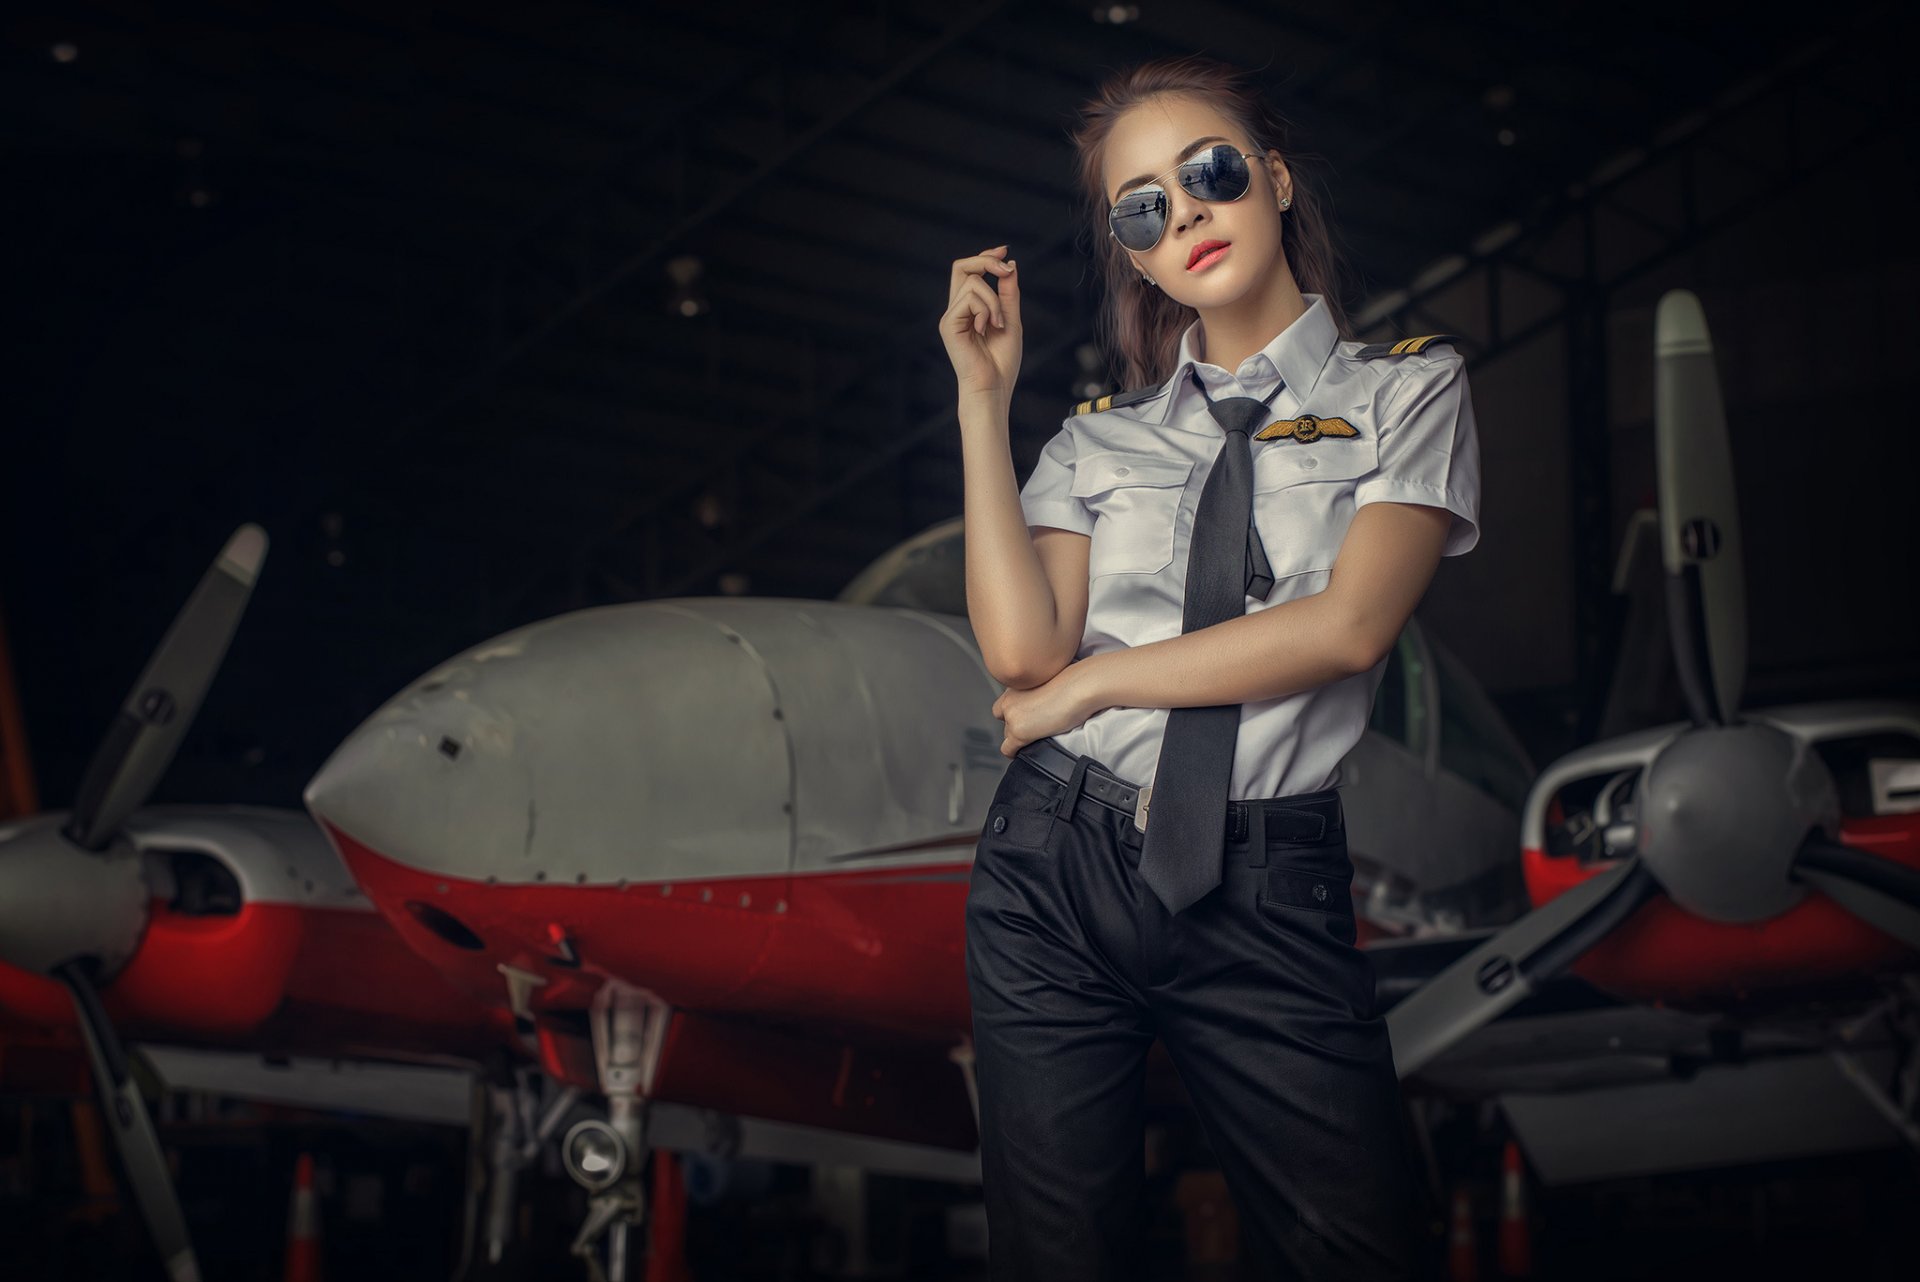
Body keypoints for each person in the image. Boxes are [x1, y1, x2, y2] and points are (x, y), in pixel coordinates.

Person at [937, 54, 1482, 1282]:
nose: (1181, 213)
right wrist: (985, 402)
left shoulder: (1409, 389)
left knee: (1364, 1247)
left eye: (1211, 172)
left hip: (1266, 877)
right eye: (1142, 206)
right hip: (1052, 870)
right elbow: (1022, 651)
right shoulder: (1095, 439)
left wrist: (1096, 685)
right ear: (1131, 252)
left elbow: (1348, 630)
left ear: (1276, 180)